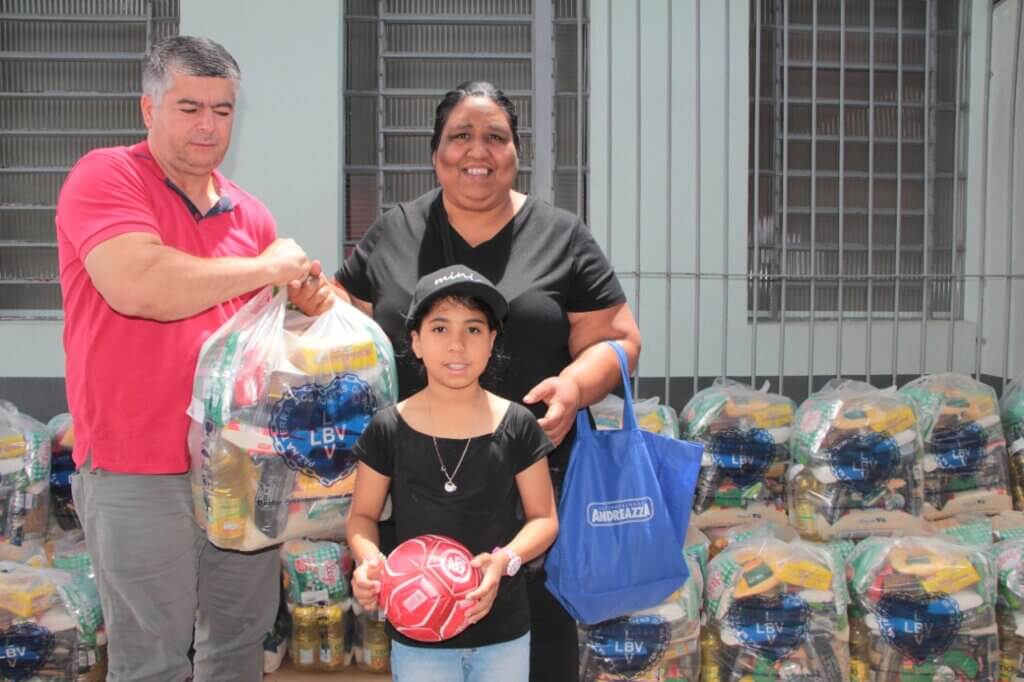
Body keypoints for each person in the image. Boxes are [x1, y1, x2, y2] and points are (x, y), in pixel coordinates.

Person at [320, 81, 642, 681]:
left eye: (496, 137)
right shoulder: (394, 232)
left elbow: (620, 338)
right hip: (416, 495)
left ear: (517, 153)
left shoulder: (561, 236)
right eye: (460, 136)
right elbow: (341, 315)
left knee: (534, 650)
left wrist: (573, 386)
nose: (479, 151)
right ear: (436, 152)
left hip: (529, 493)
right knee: (427, 650)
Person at [55, 36, 333, 681]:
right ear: (148, 109)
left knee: (238, 645)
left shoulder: (252, 216)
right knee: (151, 657)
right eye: (189, 107)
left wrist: (308, 301)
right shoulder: (107, 176)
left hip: (239, 468)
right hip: (134, 465)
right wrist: (267, 267)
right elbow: (140, 284)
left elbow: (268, 335)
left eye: (223, 109)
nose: (208, 125)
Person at [347, 264, 559, 682]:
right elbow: (362, 516)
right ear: (416, 342)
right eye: (440, 329)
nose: (457, 345)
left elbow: (545, 519)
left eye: (474, 330)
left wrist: (504, 561)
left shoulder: (517, 424)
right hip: (418, 636)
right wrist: (371, 564)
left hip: (503, 631)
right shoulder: (389, 427)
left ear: (492, 340)